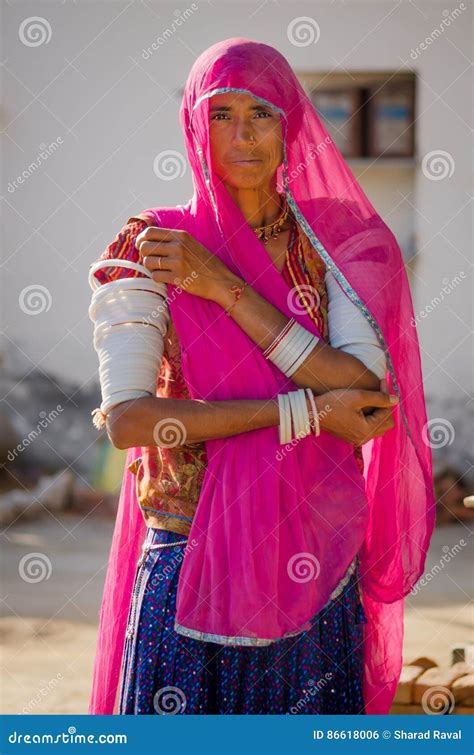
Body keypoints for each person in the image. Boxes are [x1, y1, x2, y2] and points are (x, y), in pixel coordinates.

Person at [87, 38, 435, 716]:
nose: (242, 135)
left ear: (292, 124)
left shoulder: (339, 243)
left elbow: (362, 388)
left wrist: (221, 285)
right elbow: (130, 420)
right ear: (194, 123)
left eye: (262, 113)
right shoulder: (153, 247)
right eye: (221, 114)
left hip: (315, 563)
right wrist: (302, 413)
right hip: (189, 567)